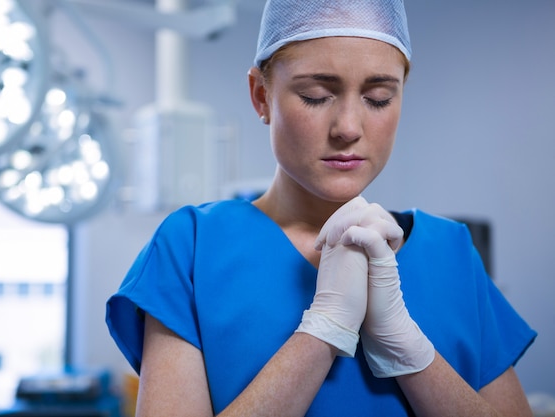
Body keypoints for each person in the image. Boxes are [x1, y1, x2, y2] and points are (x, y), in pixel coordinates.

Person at [106, 0, 537, 415]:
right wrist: (322, 331)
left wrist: (410, 351)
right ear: (261, 96)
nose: (348, 128)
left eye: (379, 97)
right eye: (315, 95)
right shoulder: (191, 249)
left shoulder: (452, 252)